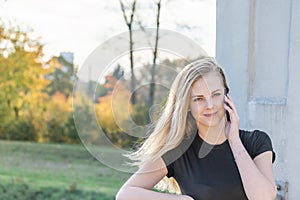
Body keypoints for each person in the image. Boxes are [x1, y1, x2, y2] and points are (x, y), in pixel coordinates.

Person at [116, 57, 277, 200]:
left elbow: (263, 197)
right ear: (187, 106)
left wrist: (234, 140)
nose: (210, 105)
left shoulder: (256, 142)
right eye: (199, 99)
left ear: (226, 95)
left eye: (215, 94)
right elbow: (125, 194)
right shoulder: (180, 151)